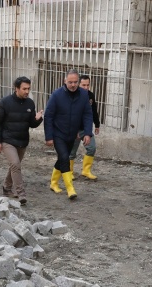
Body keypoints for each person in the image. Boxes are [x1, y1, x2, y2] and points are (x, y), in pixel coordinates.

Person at [0, 76, 43, 205]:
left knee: (14, 166)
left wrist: (38, 119)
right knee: (15, 164)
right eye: (24, 89)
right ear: (16, 88)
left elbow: (32, 124)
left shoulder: (30, 103)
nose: (27, 91)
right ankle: (21, 194)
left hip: (22, 141)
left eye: (28, 89)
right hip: (7, 140)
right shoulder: (5, 103)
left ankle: (6, 188)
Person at [43, 69, 93, 200]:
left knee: (62, 159)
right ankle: (70, 189)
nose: (73, 85)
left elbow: (87, 114)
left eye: (76, 82)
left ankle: (53, 183)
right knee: (65, 157)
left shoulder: (83, 95)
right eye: (70, 82)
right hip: (58, 133)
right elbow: (48, 116)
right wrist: (49, 137)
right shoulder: (57, 95)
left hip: (72, 134)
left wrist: (87, 133)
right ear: (65, 81)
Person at [69, 75, 100, 180]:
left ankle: (86, 171)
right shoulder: (72, 95)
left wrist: (97, 124)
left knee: (92, 148)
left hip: (86, 129)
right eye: (83, 85)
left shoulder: (90, 96)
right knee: (71, 152)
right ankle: (69, 172)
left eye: (88, 85)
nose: (86, 87)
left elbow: (93, 111)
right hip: (74, 129)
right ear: (78, 84)